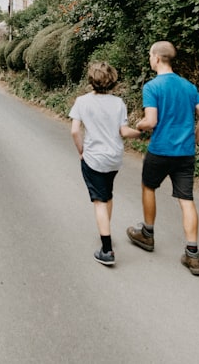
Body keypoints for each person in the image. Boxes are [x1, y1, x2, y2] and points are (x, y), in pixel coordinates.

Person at [127, 41, 199, 275]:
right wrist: (194, 139)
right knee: (186, 200)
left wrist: (140, 124)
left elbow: (151, 121)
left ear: (156, 58)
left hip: (160, 150)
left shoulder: (152, 87)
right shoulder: (188, 86)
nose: (149, 59)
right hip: (185, 153)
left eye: (149, 55)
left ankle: (147, 233)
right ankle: (192, 254)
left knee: (148, 187)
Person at [69, 61, 142, 266]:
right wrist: (142, 133)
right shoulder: (118, 103)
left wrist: (81, 151)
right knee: (107, 194)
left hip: (94, 158)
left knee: (99, 201)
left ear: (91, 80)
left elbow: (75, 130)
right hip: (115, 158)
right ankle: (106, 230)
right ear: (112, 80)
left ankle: (107, 249)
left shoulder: (82, 101)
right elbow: (124, 132)